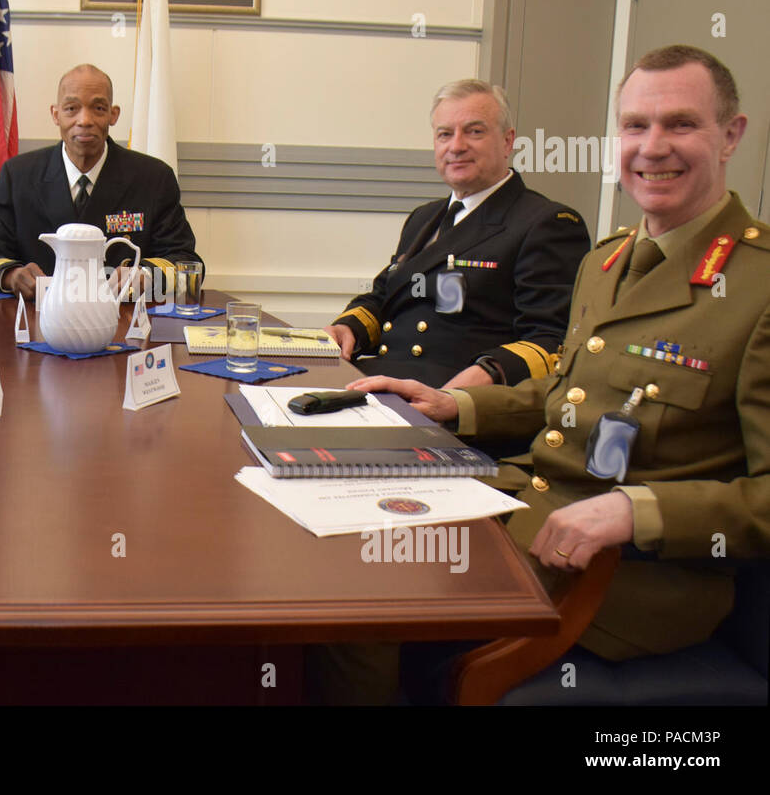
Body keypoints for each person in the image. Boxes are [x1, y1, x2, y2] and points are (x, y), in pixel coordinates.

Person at [354, 45, 768, 679]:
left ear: (731, 136)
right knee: (348, 545)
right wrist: (455, 405)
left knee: (355, 617)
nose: (652, 147)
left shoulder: (757, 287)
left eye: (680, 124)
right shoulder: (606, 262)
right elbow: (568, 395)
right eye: (635, 126)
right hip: (523, 508)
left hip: (622, 580)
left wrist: (639, 509)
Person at [324, 80, 590, 389]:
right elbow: (387, 295)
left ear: (507, 141)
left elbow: (550, 339)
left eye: (474, 131)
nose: (457, 146)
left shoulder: (548, 222)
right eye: (445, 134)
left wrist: (487, 374)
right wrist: (349, 328)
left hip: (453, 400)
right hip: (381, 380)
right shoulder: (424, 217)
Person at [0, 64, 201, 299]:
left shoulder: (154, 178)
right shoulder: (18, 175)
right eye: (72, 108)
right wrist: (11, 275)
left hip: (123, 321)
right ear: (55, 114)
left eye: (98, 108)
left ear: (113, 115)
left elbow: (187, 263)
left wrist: (146, 276)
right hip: (38, 321)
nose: (84, 120)